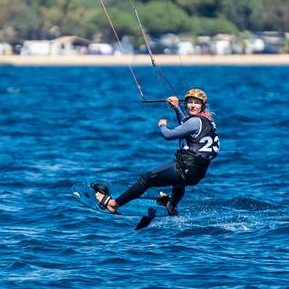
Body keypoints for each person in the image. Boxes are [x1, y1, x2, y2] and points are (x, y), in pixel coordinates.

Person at [94, 88, 219, 216]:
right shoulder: (207, 121)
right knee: (179, 183)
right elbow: (185, 125)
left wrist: (162, 125)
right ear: (186, 104)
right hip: (197, 173)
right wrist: (176, 108)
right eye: (190, 102)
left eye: (196, 103)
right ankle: (171, 206)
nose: (192, 105)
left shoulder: (194, 121)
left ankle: (114, 204)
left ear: (202, 105)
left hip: (186, 167)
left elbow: (169, 135)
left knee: (146, 180)